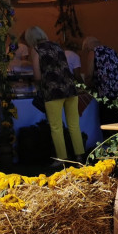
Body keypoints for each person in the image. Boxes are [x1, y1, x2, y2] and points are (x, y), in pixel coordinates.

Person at [25, 26, 80, 167]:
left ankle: (62, 158)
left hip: (53, 91)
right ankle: (79, 156)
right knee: (74, 124)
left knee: (56, 127)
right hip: (70, 88)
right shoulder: (57, 46)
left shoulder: (36, 50)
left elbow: (37, 76)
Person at [82, 36, 118, 124]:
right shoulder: (111, 50)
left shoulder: (93, 52)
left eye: (86, 50)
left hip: (108, 92)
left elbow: (89, 75)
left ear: (88, 46)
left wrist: (86, 86)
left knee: (108, 122)